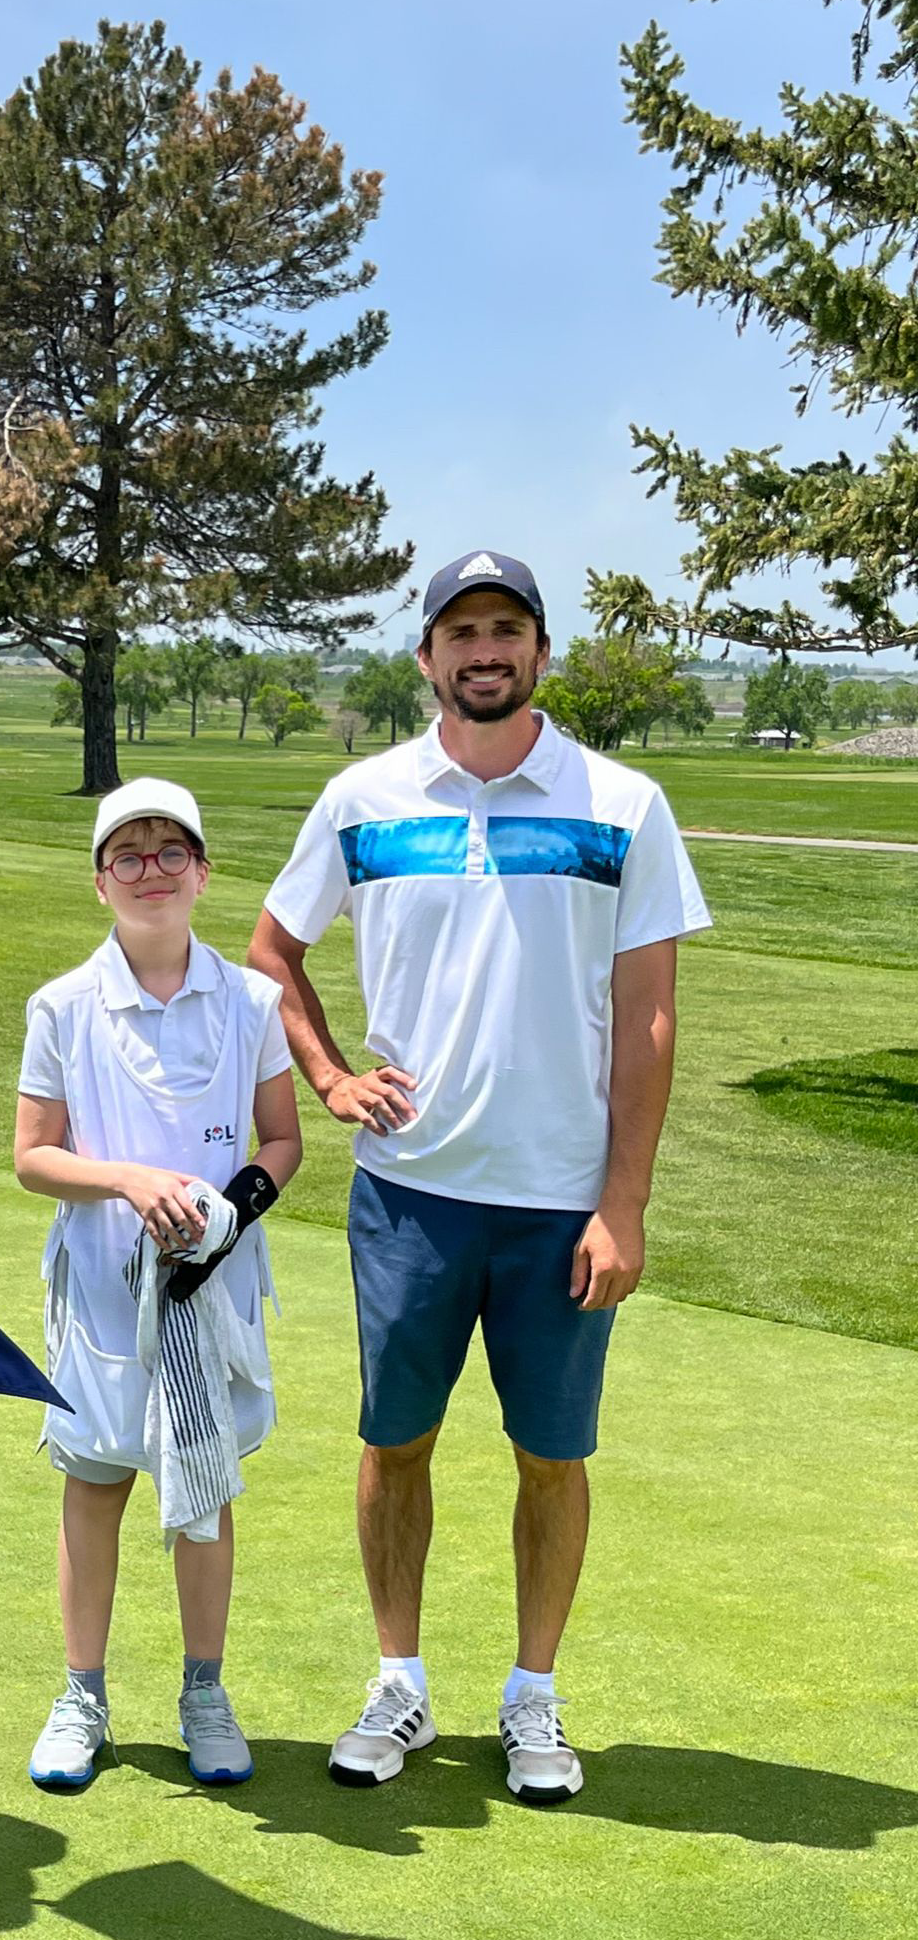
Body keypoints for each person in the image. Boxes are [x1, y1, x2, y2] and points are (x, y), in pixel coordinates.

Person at [250, 551, 711, 1805]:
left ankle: (531, 1696)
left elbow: (648, 1015)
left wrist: (622, 1203)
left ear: (540, 653)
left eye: (506, 627)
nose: (484, 649)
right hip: (410, 1192)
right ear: (426, 658)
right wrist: (329, 1077)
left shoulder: (621, 804)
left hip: (561, 1201)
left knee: (548, 1455)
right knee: (394, 1440)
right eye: (461, 631)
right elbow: (272, 952)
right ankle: (396, 1682)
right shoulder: (362, 797)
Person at [14, 778, 303, 1792]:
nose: (151, 871)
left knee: (204, 1494)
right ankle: (81, 1695)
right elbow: (32, 1156)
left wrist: (227, 1214)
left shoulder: (252, 1001)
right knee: (94, 1483)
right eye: (127, 856)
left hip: (211, 1288)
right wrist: (129, 1181)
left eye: (170, 851)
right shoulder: (60, 1006)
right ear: (100, 881)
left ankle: (204, 1693)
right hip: (101, 1288)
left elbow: (280, 1140)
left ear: (203, 873)